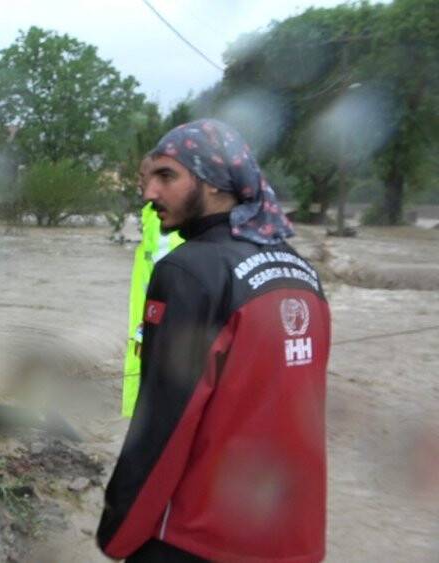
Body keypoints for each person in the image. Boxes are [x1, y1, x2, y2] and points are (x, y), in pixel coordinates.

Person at [96, 119, 330, 562]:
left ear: (215, 183)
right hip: (291, 539)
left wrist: (117, 527)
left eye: (167, 176)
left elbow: (164, 421)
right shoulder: (301, 271)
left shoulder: (187, 271)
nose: (149, 193)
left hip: (196, 536)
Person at [121, 191, 184, 418]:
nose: (143, 185)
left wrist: (147, 329)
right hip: (149, 325)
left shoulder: (179, 225)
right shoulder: (153, 215)